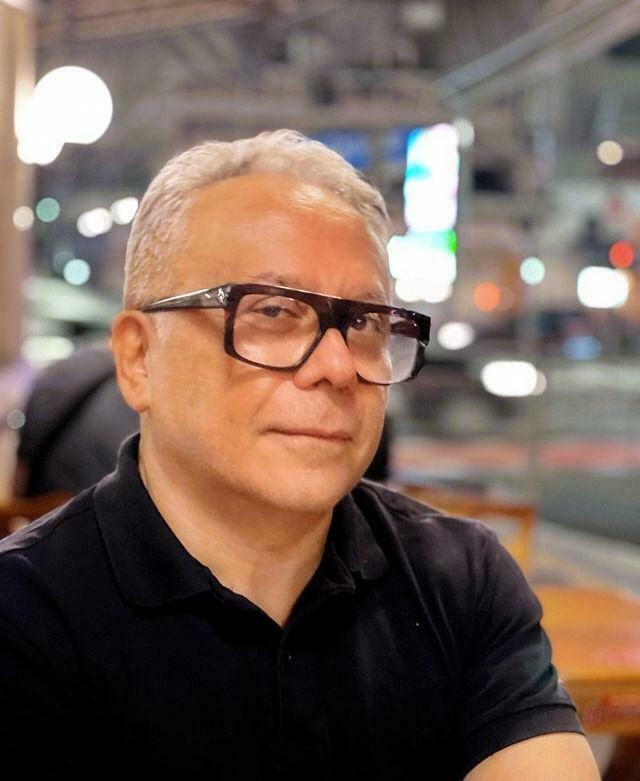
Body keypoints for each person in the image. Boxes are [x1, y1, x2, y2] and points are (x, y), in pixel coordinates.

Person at [0, 130, 600, 780]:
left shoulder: (460, 580)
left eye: (365, 323)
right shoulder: (25, 613)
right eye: (272, 311)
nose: (338, 366)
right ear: (140, 358)